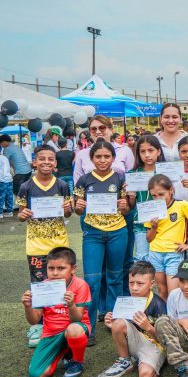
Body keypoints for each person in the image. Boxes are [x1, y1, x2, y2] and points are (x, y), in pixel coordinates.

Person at [73, 141, 131, 344]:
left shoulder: (120, 177)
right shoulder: (84, 180)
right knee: (92, 281)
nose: (103, 160)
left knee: (115, 277)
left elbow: (126, 209)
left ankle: (113, 320)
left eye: (107, 156)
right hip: (93, 234)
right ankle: (88, 326)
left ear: (113, 158)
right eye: (98, 156)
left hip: (117, 232)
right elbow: (78, 210)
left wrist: (125, 205)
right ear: (92, 158)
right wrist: (78, 206)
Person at [17, 145, 73, 347]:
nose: (46, 162)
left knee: (62, 285)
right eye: (42, 159)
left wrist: (68, 209)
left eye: (51, 159)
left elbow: (68, 213)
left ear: (56, 164)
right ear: (35, 161)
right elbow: (21, 214)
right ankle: (40, 324)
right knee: (40, 287)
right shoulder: (26, 187)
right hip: (36, 247)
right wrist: (21, 215)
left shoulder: (62, 186)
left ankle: (60, 321)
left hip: (59, 245)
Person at [21, 247, 91, 377]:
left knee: (74, 329)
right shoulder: (42, 287)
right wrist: (28, 306)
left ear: (73, 268)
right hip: (50, 334)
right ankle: (63, 351)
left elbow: (77, 319)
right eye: (51, 268)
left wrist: (71, 305)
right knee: (36, 375)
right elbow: (34, 321)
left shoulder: (80, 285)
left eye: (61, 268)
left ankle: (77, 361)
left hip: (74, 328)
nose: (55, 273)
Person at [102, 261, 167, 377]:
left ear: (151, 284)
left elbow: (165, 340)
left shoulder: (159, 305)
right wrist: (111, 324)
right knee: (118, 323)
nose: (134, 288)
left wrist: (148, 327)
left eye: (140, 283)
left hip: (154, 345)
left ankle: (152, 364)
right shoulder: (126, 302)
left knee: (145, 376)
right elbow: (121, 328)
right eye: (131, 283)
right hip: (135, 342)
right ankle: (125, 359)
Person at [145, 174, 188, 300]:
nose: (158, 199)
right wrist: (154, 227)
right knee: (162, 291)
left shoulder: (182, 205)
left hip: (174, 253)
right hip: (155, 252)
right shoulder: (151, 209)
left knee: (174, 292)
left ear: (171, 190)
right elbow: (148, 238)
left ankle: (176, 318)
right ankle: (166, 319)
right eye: (154, 195)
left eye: (161, 194)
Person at [126, 135, 165, 262]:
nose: (147, 155)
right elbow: (132, 205)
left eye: (151, 150)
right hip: (141, 224)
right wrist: (131, 196)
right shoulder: (133, 174)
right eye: (142, 151)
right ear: (138, 154)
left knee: (161, 260)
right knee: (142, 260)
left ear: (158, 151)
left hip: (164, 224)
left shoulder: (166, 172)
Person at [74, 116, 135, 183]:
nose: (98, 132)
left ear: (111, 129)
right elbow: (78, 181)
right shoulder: (82, 154)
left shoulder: (124, 151)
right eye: (93, 129)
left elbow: (132, 178)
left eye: (102, 128)